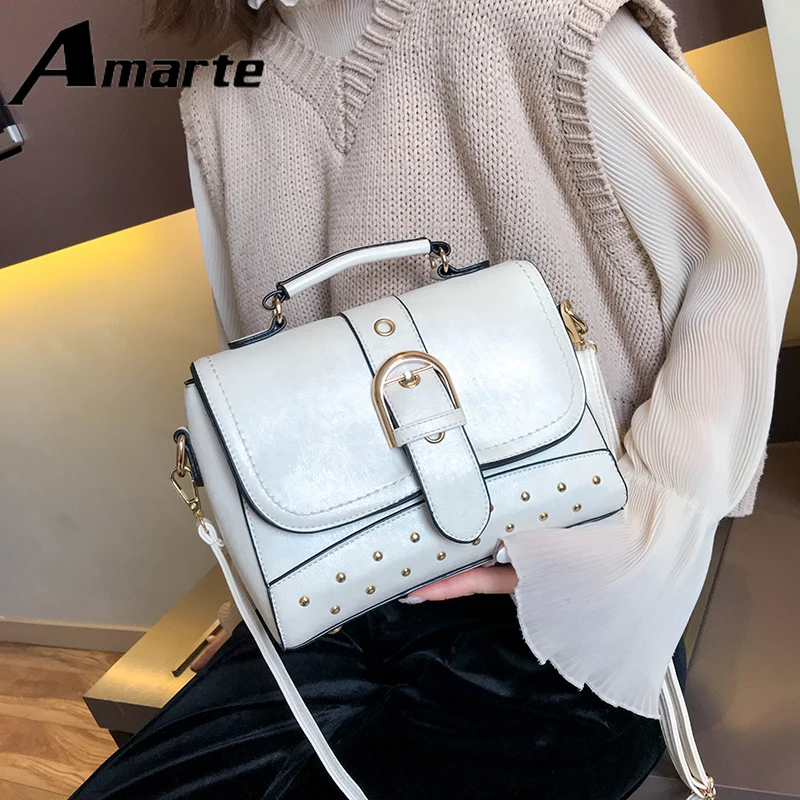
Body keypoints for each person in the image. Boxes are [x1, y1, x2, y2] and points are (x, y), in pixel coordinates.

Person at [72, 0, 797, 798]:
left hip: (550, 603)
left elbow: (743, 255)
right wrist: (261, 593)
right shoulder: (220, 104)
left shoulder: (531, 15)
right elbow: (265, 376)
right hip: (340, 594)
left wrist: (648, 529)